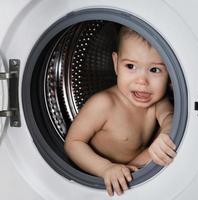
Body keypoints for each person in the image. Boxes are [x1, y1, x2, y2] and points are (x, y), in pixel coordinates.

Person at [64, 26, 176, 196]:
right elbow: (73, 143)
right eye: (131, 66)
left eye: (154, 70)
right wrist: (106, 168)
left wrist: (165, 136)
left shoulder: (157, 102)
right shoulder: (104, 104)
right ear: (116, 64)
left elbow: (170, 117)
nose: (142, 81)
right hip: (100, 179)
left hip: (136, 171)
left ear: (170, 74)